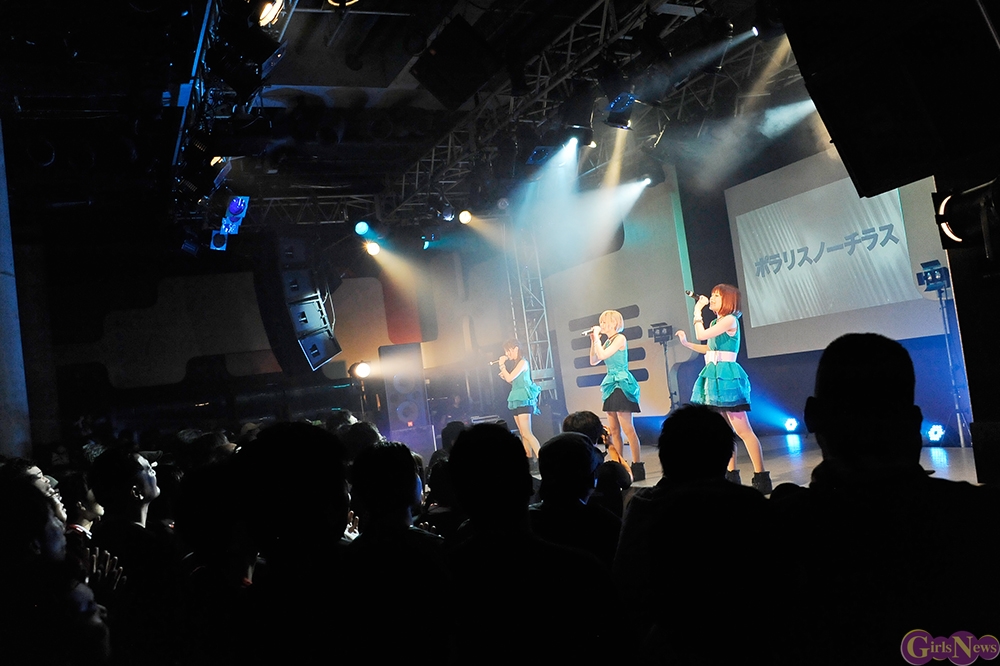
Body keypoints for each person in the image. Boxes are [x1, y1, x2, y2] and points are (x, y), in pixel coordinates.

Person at [675, 284, 770, 494]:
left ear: (728, 300)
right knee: (724, 431)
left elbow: (702, 333)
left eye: (716, 296)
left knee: (743, 430)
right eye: (712, 295)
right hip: (714, 377)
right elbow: (708, 347)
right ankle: (731, 475)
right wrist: (686, 344)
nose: (712, 298)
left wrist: (697, 310)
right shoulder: (716, 322)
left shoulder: (730, 319)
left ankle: (761, 476)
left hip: (727, 377)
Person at [589, 310, 643, 481]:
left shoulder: (620, 338)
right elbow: (594, 360)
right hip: (610, 384)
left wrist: (597, 340)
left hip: (621, 383)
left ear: (614, 323)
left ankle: (637, 466)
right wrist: (593, 341)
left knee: (628, 428)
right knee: (613, 429)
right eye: (601, 322)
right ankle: (619, 466)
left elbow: (603, 355)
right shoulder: (607, 341)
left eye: (605, 322)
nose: (602, 325)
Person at [496, 338, 542, 461]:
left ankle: (542, 458)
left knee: (527, 433)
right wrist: (504, 376)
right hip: (516, 399)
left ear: (516, 349)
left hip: (524, 399)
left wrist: (502, 365)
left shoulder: (523, 362)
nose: (507, 354)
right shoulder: (517, 364)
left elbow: (510, 378)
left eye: (508, 351)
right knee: (523, 433)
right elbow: (514, 382)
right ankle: (529, 459)